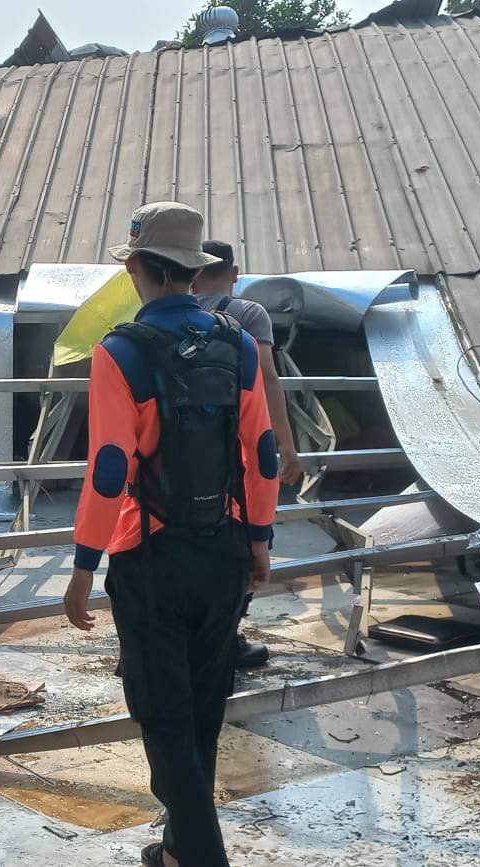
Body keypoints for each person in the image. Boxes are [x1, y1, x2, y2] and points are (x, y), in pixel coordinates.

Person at [63, 202, 278, 867]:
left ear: (136, 268)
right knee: (204, 709)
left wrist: (81, 566)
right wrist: (261, 541)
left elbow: (107, 470)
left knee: (164, 717)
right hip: (224, 550)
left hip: (149, 557)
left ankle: (202, 856)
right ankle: (183, 849)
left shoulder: (120, 352)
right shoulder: (237, 344)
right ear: (193, 270)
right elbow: (263, 452)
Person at [192, 239, 301, 669]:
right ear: (235, 274)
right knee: (242, 544)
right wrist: (286, 444)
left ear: (193, 272)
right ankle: (226, 640)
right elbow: (268, 381)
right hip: (238, 455)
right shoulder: (247, 314)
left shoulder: (171, 315)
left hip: (179, 458)